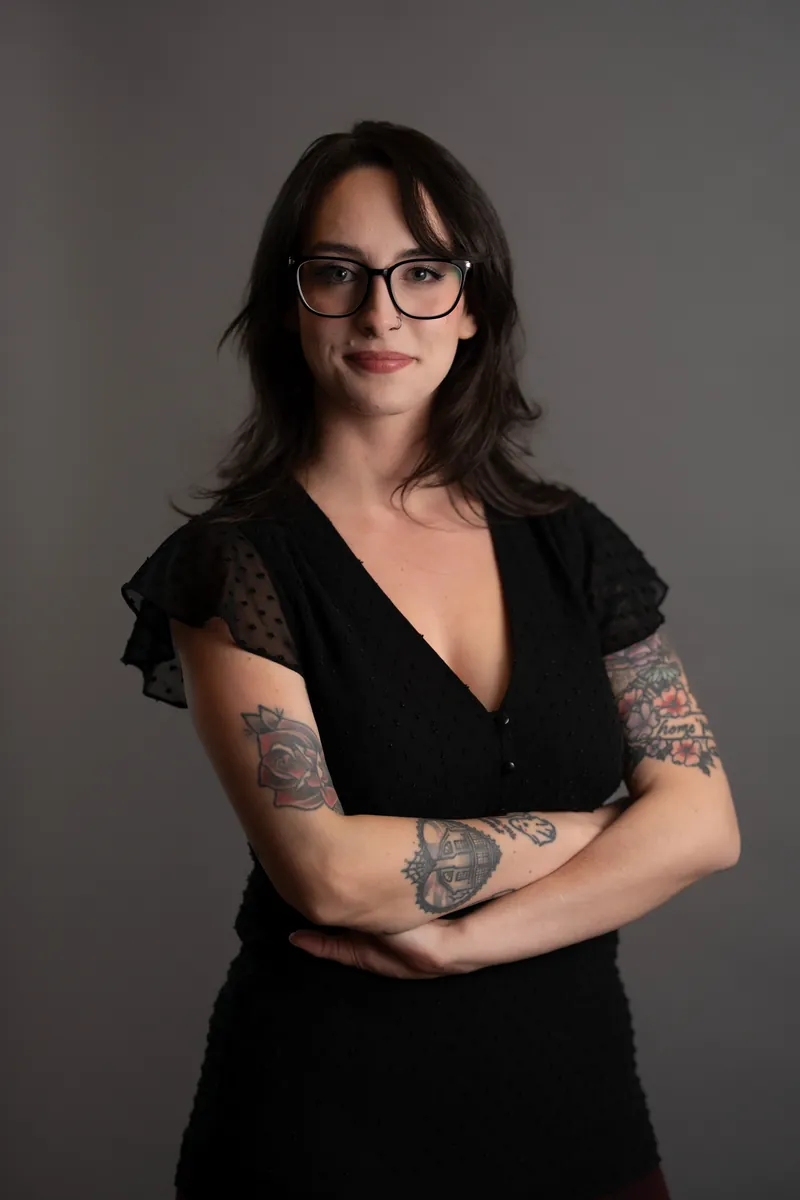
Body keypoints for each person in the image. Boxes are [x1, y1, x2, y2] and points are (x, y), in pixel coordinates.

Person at [119, 119, 740, 1199]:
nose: (379, 312)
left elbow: (706, 828)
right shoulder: (234, 568)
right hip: (320, 1134)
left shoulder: (573, 544)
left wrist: (462, 947)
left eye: (421, 273)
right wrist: (602, 831)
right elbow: (324, 875)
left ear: (472, 305)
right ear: (288, 302)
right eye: (336, 273)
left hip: (577, 1121)